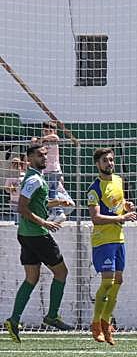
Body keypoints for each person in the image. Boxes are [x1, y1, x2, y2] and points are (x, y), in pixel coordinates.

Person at [4, 144, 74, 343]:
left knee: (31, 278)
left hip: (26, 235)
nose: (44, 158)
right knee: (61, 273)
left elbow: (38, 203)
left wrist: (58, 203)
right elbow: (22, 207)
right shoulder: (34, 179)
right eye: (39, 155)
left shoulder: (36, 178)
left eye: (45, 154)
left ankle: (13, 320)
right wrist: (44, 223)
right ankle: (52, 316)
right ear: (29, 158)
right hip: (37, 235)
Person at [87, 148, 137, 345]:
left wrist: (126, 206)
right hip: (103, 241)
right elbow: (96, 218)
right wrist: (122, 218)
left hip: (118, 238)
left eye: (111, 160)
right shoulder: (94, 189)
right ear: (97, 164)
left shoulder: (118, 180)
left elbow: (117, 204)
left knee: (118, 281)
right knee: (107, 282)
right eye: (105, 160)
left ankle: (106, 322)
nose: (109, 163)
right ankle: (95, 324)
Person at [32, 121, 66, 222]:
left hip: (53, 170)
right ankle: (53, 212)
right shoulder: (42, 142)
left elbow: (55, 137)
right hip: (46, 171)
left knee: (52, 192)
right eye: (45, 131)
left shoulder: (54, 138)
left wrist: (41, 139)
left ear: (54, 131)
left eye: (50, 131)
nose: (48, 133)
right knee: (50, 192)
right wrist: (36, 140)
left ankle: (59, 212)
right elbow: (34, 144)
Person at [4, 156, 26, 224]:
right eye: (14, 164)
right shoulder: (10, 177)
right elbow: (6, 189)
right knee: (18, 220)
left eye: (17, 164)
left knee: (23, 218)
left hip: (24, 200)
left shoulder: (24, 175)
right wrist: (11, 189)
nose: (16, 166)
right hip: (14, 201)